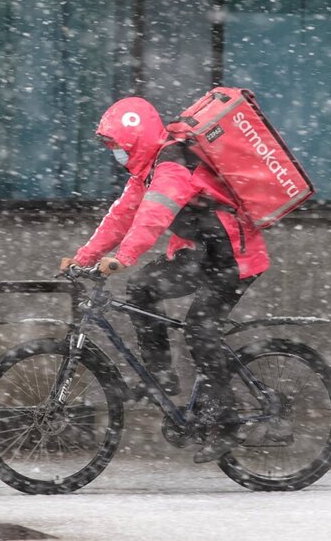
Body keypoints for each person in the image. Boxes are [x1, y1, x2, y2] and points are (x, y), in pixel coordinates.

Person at [60, 96, 269, 463]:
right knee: (142, 287)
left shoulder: (173, 165)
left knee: (200, 329)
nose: (115, 154)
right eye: (111, 147)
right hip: (201, 255)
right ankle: (161, 375)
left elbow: (152, 217)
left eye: (118, 146)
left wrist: (122, 257)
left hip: (232, 257)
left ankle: (228, 419)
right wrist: (83, 257)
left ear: (137, 141)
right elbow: (121, 216)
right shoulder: (148, 169)